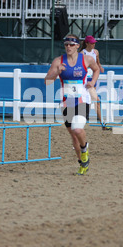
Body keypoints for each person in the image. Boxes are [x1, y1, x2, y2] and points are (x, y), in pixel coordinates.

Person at [44, 34, 100, 175]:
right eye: (66, 44)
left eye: (71, 44)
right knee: (73, 135)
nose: (68, 47)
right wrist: (57, 72)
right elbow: (47, 81)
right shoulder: (58, 61)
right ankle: (82, 163)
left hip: (82, 100)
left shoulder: (86, 59)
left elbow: (97, 69)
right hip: (67, 102)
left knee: (77, 130)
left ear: (77, 45)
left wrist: (92, 82)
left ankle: (84, 149)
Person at [79, 35, 111, 130]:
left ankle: (81, 122)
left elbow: (97, 62)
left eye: (94, 43)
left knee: (89, 101)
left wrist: (100, 67)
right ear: (87, 43)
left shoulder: (96, 52)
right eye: (92, 43)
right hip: (86, 80)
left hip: (93, 79)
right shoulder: (82, 53)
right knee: (96, 101)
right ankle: (103, 124)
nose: (94, 44)